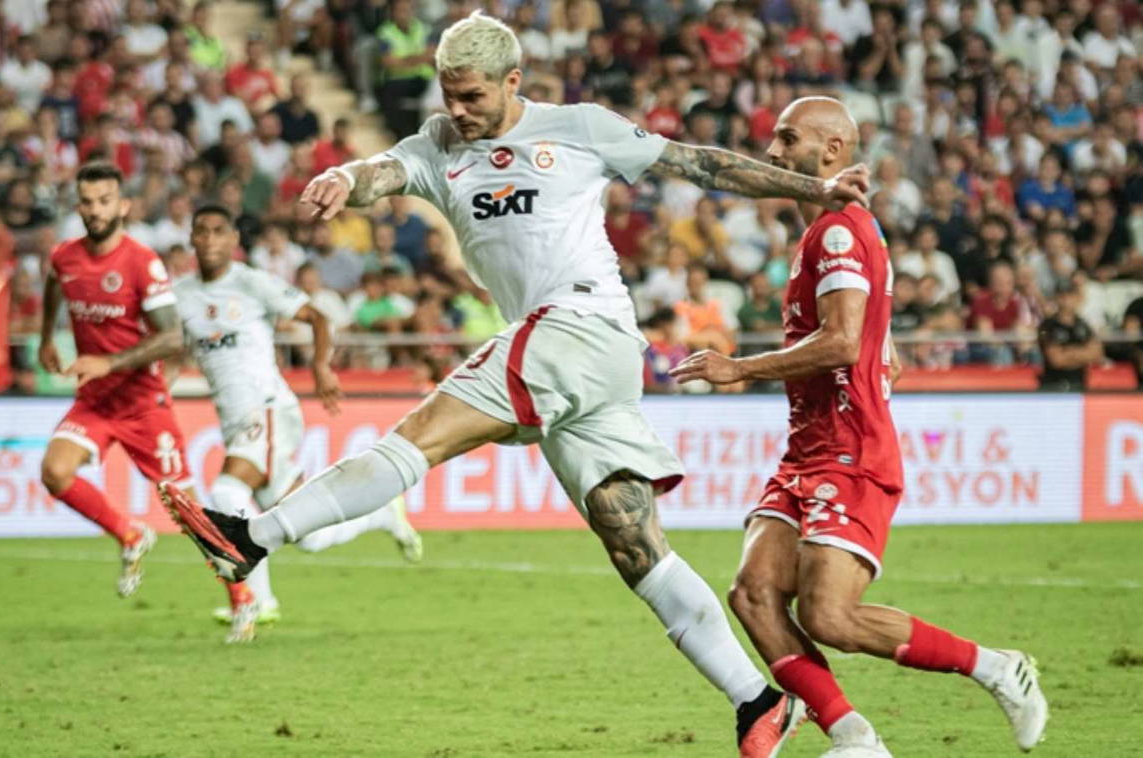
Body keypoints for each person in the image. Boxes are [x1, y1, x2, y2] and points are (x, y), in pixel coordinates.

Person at [160, 13, 870, 757]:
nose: (458, 109)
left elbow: (698, 164)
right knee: (635, 546)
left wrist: (814, 189)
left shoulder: (579, 127)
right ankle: (758, 700)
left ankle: (252, 537)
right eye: (448, 94)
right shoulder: (438, 144)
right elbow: (380, 173)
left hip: (579, 326)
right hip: (580, 363)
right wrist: (342, 177)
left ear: (512, 82)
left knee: (422, 436)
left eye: (472, 96)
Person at [669, 97, 1048, 757]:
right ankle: (855, 738)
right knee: (753, 594)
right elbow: (860, 324)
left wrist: (740, 367)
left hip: (851, 450)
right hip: (807, 449)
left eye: (789, 139)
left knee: (830, 616)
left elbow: (842, 340)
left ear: (832, 150)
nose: (774, 151)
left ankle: (995, 667)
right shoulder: (825, 229)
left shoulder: (839, 232)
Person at [173, 205, 422, 632]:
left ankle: (257, 601)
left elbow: (317, 317)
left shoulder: (251, 283)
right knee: (309, 536)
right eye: (202, 231)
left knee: (227, 490)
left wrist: (321, 367)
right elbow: (172, 350)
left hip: (267, 407)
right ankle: (382, 515)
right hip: (234, 418)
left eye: (219, 231)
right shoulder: (182, 294)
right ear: (192, 239)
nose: (210, 239)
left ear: (234, 239)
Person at [37, 163, 253, 633]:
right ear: (79, 206)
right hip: (95, 402)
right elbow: (55, 282)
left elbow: (172, 337)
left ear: (123, 206)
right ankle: (131, 534)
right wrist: (47, 338)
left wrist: (109, 363)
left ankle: (243, 596)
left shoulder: (141, 263)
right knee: (54, 471)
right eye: (88, 202)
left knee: (187, 510)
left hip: (142, 403)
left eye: (104, 201)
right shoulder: (65, 256)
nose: (95, 210)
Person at [1037, 280, 1101, 391]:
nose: (1066, 299)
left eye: (1070, 295)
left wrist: (1068, 351)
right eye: (1062, 295)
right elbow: (1056, 359)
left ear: (1076, 297)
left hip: (1079, 384)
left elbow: (1096, 355)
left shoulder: (1083, 324)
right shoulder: (1048, 326)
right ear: (1056, 298)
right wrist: (1082, 353)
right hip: (1053, 386)